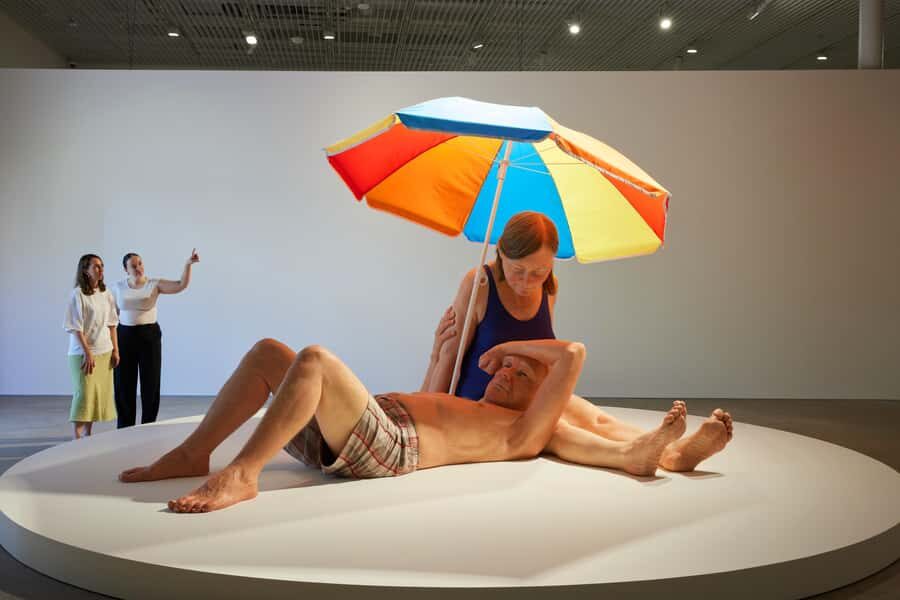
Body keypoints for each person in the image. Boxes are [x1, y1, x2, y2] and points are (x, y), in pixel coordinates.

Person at [118, 337, 715, 514]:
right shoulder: (473, 400)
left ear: (538, 397)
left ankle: (243, 474)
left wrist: (511, 348)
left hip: (389, 447)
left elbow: (574, 354)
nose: (503, 373)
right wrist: (459, 349)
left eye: (517, 375)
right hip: (360, 426)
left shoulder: (524, 432)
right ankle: (194, 453)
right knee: (269, 353)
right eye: (503, 367)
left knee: (315, 359)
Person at [422, 211, 734, 467]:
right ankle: (641, 456)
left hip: (530, 390)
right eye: (518, 270)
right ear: (501, 252)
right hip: (487, 400)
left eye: (538, 272)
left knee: (595, 419)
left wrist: (555, 392)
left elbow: (545, 355)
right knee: (556, 428)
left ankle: (675, 451)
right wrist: (430, 416)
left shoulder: (549, 289)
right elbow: (447, 355)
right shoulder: (478, 283)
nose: (526, 281)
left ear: (551, 264)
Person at [111, 249, 199, 428]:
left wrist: (188, 264)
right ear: (126, 269)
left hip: (149, 336)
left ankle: (148, 426)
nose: (138, 268)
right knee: (123, 383)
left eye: (140, 263)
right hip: (124, 336)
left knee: (150, 382)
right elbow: (112, 316)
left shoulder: (154, 284)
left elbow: (181, 285)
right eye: (133, 266)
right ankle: (125, 428)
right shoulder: (117, 287)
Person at [64, 254, 119, 439]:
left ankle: (88, 435)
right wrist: (87, 353)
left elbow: (112, 323)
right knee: (84, 395)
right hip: (83, 353)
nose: (100, 269)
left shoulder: (106, 293)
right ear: (85, 271)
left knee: (95, 396)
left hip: (104, 351)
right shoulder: (77, 294)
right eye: (95, 266)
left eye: (101, 265)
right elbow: (75, 327)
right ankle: (77, 438)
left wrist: (116, 350)